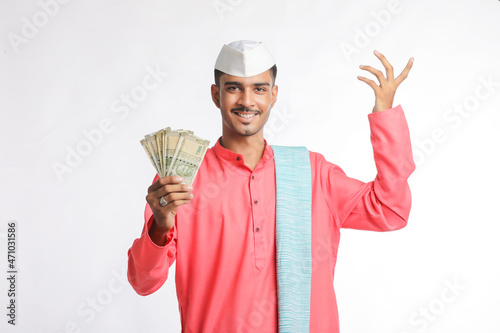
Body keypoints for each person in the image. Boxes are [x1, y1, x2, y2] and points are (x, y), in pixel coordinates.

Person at [127, 40, 415, 332]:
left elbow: (390, 210)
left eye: (259, 89)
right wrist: (160, 227)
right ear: (216, 95)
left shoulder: (312, 173)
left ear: (273, 95)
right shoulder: (180, 181)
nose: (247, 101)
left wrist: (385, 117)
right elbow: (143, 282)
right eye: (234, 88)